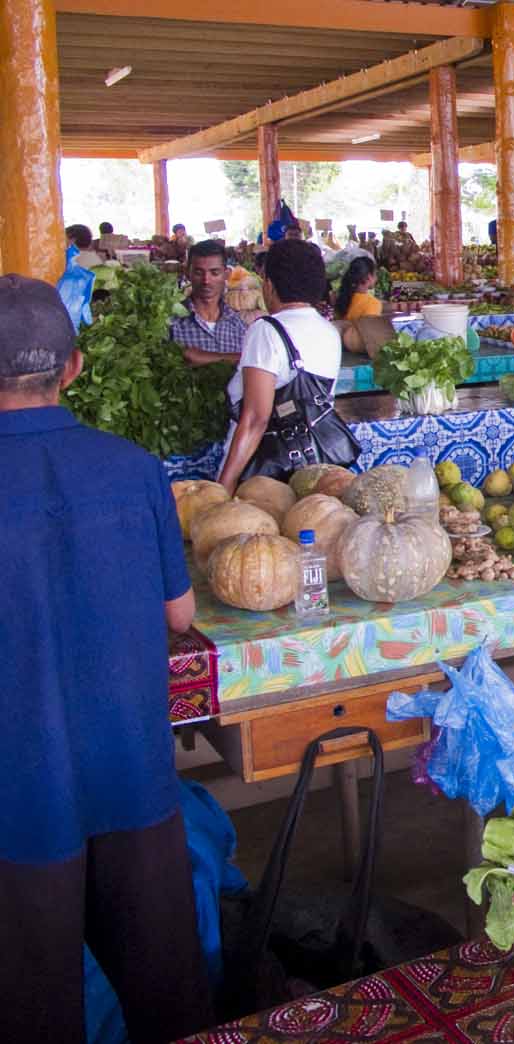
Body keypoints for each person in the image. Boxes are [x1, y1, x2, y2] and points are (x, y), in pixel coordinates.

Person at [0, 274, 214, 1043]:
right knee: (167, 998)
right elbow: (179, 614)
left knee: (31, 1009)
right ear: (75, 368)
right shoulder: (132, 467)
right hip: (132, 775)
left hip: (19, 799)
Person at [216, 240, 343, 492]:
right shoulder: (329, 331)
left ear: (270, 285)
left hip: (265, 477)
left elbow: (255, 419)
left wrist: (225, 483)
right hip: (311, 468)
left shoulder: (266, 331)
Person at [172, 240, 251, 366]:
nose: (206, 280)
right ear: (188, 273)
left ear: (226, 275)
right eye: (198, 272)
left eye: (214, 273)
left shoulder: (240, 326)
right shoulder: (172, 322)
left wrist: (205, 358)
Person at [334, 255, 383, 321]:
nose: (376, 278)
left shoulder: (341, 297)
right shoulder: (372, 303)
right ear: (368, 277)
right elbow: (368, 330)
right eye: (375, 274)